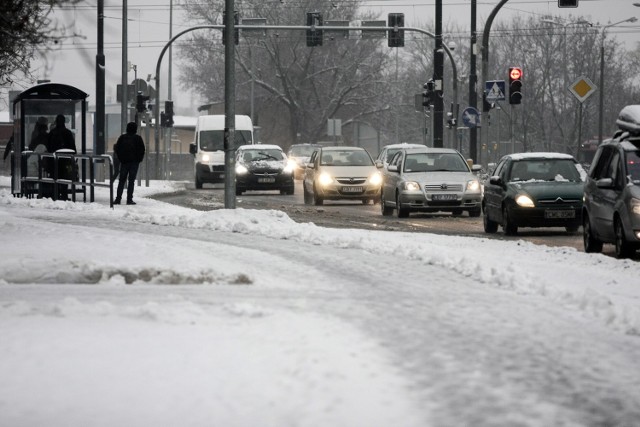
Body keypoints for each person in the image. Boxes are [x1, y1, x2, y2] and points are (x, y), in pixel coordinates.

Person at [113, 122, 145, 205]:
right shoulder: (138, 138)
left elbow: (117, 148)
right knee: (131, 181)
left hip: (124, 162)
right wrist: (138, 159)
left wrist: (121, 159)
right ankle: (129, 199)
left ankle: (118, 199)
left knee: (121, 181)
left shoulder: (122, 138)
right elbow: (142, 150)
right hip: (134, 163)